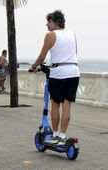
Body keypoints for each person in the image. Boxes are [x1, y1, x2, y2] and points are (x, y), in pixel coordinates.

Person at [29, 10, 80, 145]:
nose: (47, 24)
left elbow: (42, 57)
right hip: (74, 72)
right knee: (67, 106)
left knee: (55, 105)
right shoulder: (72, 34)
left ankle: (56, 135)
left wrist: (34, 67)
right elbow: (74, 53)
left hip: (59, 74)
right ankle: (63, 136)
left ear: (56, 23)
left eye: (49, 21)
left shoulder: (50, 35)